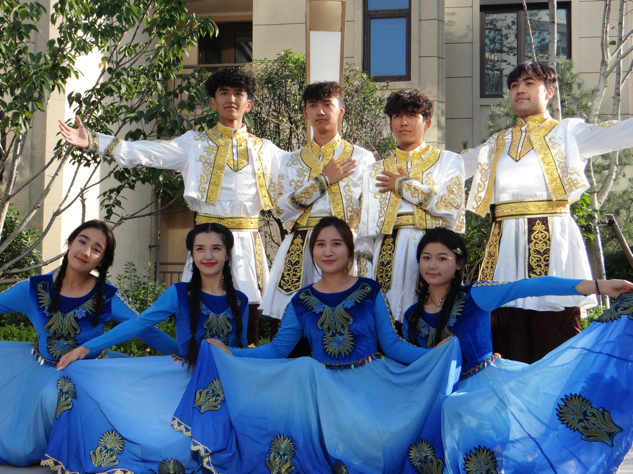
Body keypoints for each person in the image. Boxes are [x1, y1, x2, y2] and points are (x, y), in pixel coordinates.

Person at [170, 216, 462, 473]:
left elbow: (392, 345)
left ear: (349, 249)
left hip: (371, 386)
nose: (328, 251)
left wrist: (433, 355)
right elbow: (277, 349)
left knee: (376, 450)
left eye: (336, 244)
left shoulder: (369, 289)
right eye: (320, 244)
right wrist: (230, 353)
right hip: (321, 391)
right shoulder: (301, 299)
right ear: (312, 252)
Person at [59, 67, 282, 346]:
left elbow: (298, 171)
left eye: (239, 94)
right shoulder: (195, 144)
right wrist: (95, 141)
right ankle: (193, 364)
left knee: (247, 318)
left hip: (247, 245)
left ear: (248, 104)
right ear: (212, 102)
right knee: (196, 312)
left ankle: (242, 367)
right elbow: (147, 151)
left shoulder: (267, 150)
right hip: (207, 239)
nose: (231, 99)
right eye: (224, 93)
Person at [402, 227, 633, 473]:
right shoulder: (412, 315)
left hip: (485, 394)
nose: (432, 265)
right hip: (436, 399)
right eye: (426, 257)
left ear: (458, 263)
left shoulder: (476, 295)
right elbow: (413, 364)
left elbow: (532, 286)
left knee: (483, 463)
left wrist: (600, 285)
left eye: (442, 258)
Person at [460, 61, 633, 363]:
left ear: (549, 92)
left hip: (553, 240)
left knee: (557, 336)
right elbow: (451, 168)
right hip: (504, 245)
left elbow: (620, 132)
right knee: (505, 333)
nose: (520, 90)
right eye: (514, 85)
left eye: (529, 83)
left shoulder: (568, 132)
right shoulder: (495, 143)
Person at [45, 223, 248, 474]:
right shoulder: (179, 292)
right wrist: (85, 349)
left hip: (226, 386)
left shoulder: (240, 300)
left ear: (227, 253)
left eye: (216, 248)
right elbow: (139, 323)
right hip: (186, 381)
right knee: (169, 451)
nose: (208, 256)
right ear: (192, 255)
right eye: (200, 249)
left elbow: (239, 350)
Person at [0, 220, 176, 467]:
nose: (85, 251)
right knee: (19, 452)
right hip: (40, 370)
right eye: (82, 242)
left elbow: (145, 329)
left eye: (96, 249)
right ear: (70, 243)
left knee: (54, 395)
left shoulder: (108, 296)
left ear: (102, 261)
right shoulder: (33, 289)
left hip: (91, 376)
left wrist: (188, 354)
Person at [261, 81, 375, 337]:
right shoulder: (289, 160)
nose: (320, 111)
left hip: (346, 245)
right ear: (305, 113)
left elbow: (370, 215)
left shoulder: (362, 157)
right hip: (300, 246)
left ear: (341, 110)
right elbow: (282, 210)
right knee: (294, 328)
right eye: (313, 105)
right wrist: (322, 181)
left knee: (347, 324)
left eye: (327, 105)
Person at [356, 89, 465, 323]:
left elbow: (451, 207)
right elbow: (365, 234)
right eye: (397, 116)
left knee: (435, 319)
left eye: (411, 115)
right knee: (387, 323)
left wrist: (404, 185)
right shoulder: (374, 170)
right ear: (390, 124)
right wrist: (365, 281)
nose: (403, 122)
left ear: (427, 123)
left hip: (432, 251)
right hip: (387, 255)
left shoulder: (448, 161)